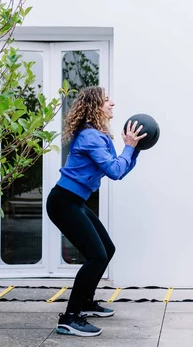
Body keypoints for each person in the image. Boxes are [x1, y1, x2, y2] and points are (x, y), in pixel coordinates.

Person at [46, 86, 146, 337]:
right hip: (63, 202)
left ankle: (87, 302)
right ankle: (70, 317)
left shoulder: (98, 135)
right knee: (96, 256)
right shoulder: (91, 137)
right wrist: (129, 148)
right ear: (94, 106)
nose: (112, 103)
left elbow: (119, 171)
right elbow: (113, 170)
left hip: (75, 201)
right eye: (106, 100)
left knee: (106, 250)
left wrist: (133, 149)